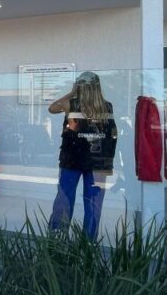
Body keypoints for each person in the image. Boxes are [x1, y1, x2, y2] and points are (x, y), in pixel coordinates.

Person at [47, 71, 118, 239]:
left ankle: (57, 237)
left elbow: (52, 108)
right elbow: (112, 134)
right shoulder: (106, 106)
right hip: (98, 161)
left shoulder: (70, 104)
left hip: (72, 159)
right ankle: (88, 243)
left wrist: (71, 92)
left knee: (64, 198)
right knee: (93, 203)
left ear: (79, 86)